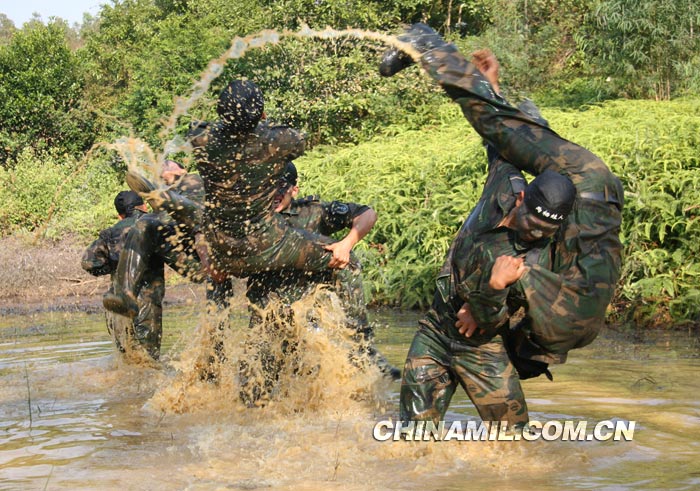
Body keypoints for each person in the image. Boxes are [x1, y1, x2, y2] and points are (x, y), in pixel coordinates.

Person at [381, 25, 623, 376]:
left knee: (510, 137)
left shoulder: (579, 333)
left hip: (600, 200)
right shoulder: (549, 315)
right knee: (496, 124)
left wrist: (494, 90)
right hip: (582, 183)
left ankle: (521, 111)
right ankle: (426, 42)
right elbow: (510, 278)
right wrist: (477, 311)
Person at [239, 162, 399, 404]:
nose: (273, 195)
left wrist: (346, 244)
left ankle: (362, 345)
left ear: (294, 189)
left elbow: (368, 214)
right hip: (266, 318)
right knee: (253, 399)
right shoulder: (252, 219)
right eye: (266, 188)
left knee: (309, 397)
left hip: (309, 319)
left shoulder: (314, 212)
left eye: (280, 188)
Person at [190, 79, 344, 281]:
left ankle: (219, 312)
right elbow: (298, 141)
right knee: (347, 261)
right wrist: (261, 124)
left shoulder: (199, 137)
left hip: (219, 249)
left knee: (193, 208)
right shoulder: (279, 141)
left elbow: (213, 129)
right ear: (260, 114)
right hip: (267, 244)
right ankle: (346, 313)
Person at [103, 160, 209, 360]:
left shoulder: (193, 181)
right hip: (192, 260)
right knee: (145, 225)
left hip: (208, 261)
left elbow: (197, 216)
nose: (160, 174)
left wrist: (157, 197)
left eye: (164, 168)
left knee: (148, 223)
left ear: (180, 168)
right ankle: (125, 296)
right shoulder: (170, 199)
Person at [81, 191, 156, 356]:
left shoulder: (109, 233)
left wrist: (114, 267)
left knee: (126, 356)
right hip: (145, 302)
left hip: (117, 300)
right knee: (149, 357)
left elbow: (88, 262)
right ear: (143, 207)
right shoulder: (152, 224)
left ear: (120, 216)